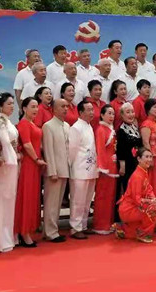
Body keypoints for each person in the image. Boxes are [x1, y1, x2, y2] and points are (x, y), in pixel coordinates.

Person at [14, 97, 46, 248]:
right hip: (29, 163)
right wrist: (36, 159)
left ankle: (28, 230)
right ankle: (23, 232)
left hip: (35, 164)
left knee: (33, 197)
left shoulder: (33, 123)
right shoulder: (24, 124)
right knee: (26, 197)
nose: (35, 109)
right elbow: (27, 144)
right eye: (32, 106)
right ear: (24, 108)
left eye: (37, 107)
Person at [0, 93, 20, 253]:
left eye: (12, 103)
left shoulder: (6, 121)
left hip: (12, 161)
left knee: (9, 198)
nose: (12, 106)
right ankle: (1, 238)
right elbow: (4, 141)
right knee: (4, 198)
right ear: (0, 106)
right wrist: (12, 157)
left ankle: (8, 234)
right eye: (8, 104)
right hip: (6, 164)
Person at [115, 148, 156, 243]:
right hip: (129, 208)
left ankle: (124, 230)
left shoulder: (143, 172)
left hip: (134, 206)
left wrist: (154, 198)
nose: (149, 159)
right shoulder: (137, 176)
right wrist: (151, 201)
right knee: (154, 208)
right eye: (146, 157)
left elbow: (149, 189)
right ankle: (143, 234)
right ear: (139, 159)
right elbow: (137, 199)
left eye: (150, 157)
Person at [41, 98, 71, 243]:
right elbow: (48, 150)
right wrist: (52, 171)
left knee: (57, 203)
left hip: (65, 168)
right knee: (51, 203)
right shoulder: (48, 126)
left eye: (66, 106)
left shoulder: (67, 126)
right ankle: (50, 231)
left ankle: (54, 229)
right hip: (54, 170)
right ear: (54, 109)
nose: (65, 109)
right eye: (62, 106)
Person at [68, 101, 98, 239]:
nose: (92, 112)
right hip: (79, 169)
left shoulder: (89, 126)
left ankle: (83, 225)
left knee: (87, 200)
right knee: (78, 200)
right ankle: (75, 228)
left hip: (91, 169)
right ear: (80, 112)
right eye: (88, 110)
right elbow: (72, 150)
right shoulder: (76, 127)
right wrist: (71, 167)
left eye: (92, 110)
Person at [93, 104, 118, 235]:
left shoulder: (110, 129)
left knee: (110, 196)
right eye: (109, 113)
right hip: (105, 167)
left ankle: (108, 223)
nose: (111, 116)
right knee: (102, 196)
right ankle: (100, 225)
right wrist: (102, 167)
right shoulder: (101, 130)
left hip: (112, 166)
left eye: (113, 113)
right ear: (102, 115)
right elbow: (100, 149)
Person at [140, 99, 156, 198]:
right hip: (152, 156)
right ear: (148, 110)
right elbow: (145, 142)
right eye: (154, 107)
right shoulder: (146, 124)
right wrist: (149, 159)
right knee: (152, 181)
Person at [115, 103, 143, 192]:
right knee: (128, 188)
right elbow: (120, 149)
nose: (131, 114)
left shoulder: (135, 128)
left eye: (132, 112)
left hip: (136, 163)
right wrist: (122, 165)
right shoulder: (121, 130)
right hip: (127, 164)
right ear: (122, 115)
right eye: (128, 112)